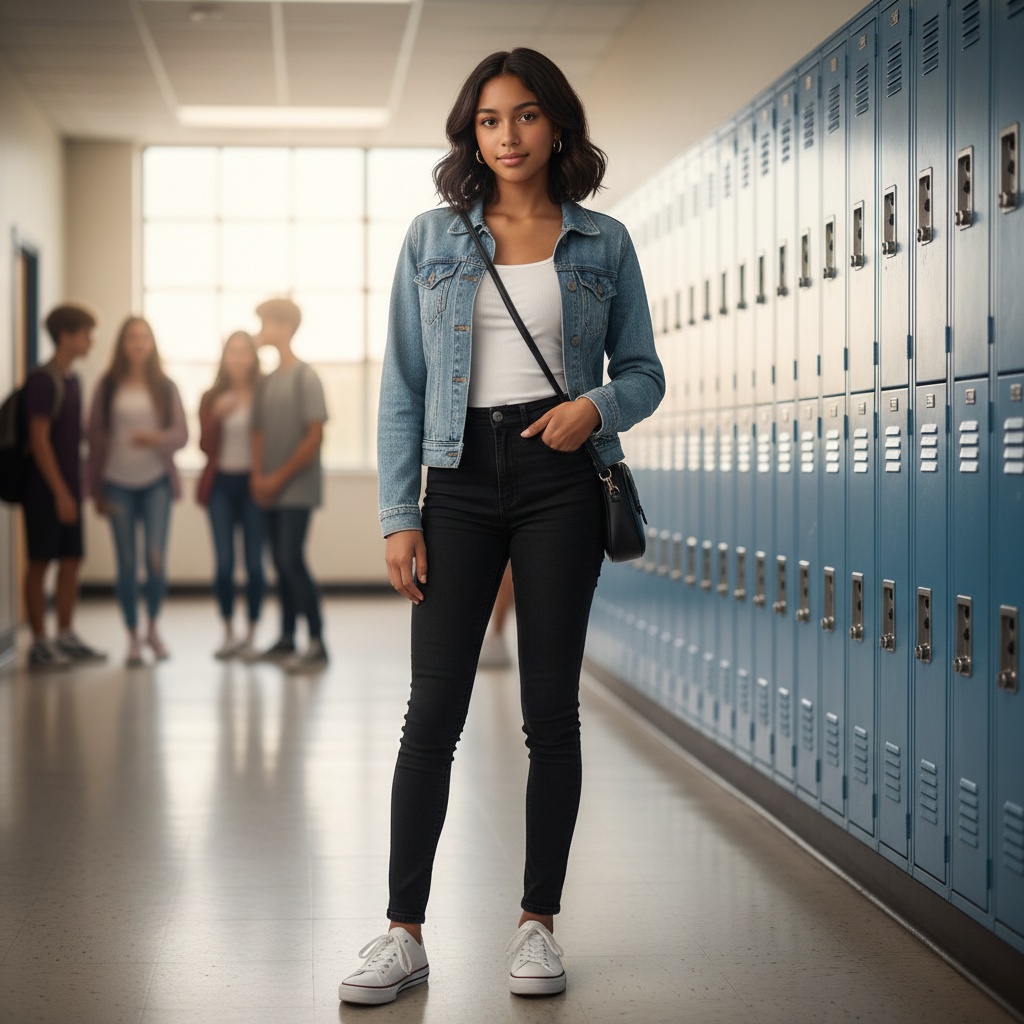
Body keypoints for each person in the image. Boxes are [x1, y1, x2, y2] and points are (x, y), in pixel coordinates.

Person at [339, 48, 664, 1006]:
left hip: (560, 476)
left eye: (525, 117)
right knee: (430, 712)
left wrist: (595, 409)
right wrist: (402, 516)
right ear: (469, 132)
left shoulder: (602, 242)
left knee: (549, 712)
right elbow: (402, 385)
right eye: (489, 120)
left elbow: (644, 369)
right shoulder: (433, 238)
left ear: (556, 125)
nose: (508, 136)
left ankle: (538, 925)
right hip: (456, 480)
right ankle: (403, 933)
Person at [87, 316, 187, 666]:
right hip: (117, 484)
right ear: (122, 344)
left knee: (155, 560)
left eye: (145, 337)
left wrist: (156, 438)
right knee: (126, 563)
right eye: (132, 337)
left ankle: (153, 629)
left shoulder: (165, 386)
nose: (139, 343)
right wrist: (94, 488)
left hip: (157, 483)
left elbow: (181, 434)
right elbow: (95, 437)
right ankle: (132, 636)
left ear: (152, 343)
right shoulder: (108, 386)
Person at [22, 304, 107, 671]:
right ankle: (40, 642)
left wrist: (76, 490)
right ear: (67, 336)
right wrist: (58, 491)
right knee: (40, 561)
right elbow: (39, 441)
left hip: (70, 488)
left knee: (72, 560)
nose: (91, 340)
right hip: (44, 491)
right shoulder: (42, 380)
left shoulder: (73, 379)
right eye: (86, 333)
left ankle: (66, 635)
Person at [249, 297, 329, 673]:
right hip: (269, 489)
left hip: (297, 489)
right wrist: (259, 478)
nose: (259, 332)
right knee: (278, 564)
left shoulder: (305, 376)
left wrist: (278, 479)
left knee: (291, 560)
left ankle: (316, 641)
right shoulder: (266, 381)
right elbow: (259, 433)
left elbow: (313, 437)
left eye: (264, 324)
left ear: (283, 327)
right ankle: (285, 638)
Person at [198, 331, 265, 659]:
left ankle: (251, 634)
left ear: (253, 357)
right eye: (232, 352)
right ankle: (228, 633)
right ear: (224, 358)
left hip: (254, 487)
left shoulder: (264, 392)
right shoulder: (212, 397)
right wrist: (216, 418)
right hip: (221, 486)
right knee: (224, 563)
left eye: (244, 352)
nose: (238, 358)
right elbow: (204, 446)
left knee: (254, 564)